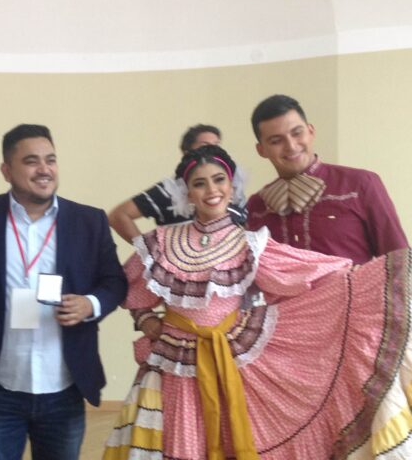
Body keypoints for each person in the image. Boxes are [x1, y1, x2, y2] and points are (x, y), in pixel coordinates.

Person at [104, 145, 412, 459]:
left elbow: (309, 273)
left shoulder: (249, 244)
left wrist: (367, 278)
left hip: (231, 357)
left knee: (236, 433)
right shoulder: (161, 242)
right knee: (178, 439)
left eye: (219, 180)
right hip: (174, 362)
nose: (212, 190)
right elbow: (134, 292)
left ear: (231, 185)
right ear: (187, 193)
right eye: (200, 183)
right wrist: (146, 320)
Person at [0, 124, 127, 460]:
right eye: (31, 161)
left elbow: (115, 282)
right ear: (6, 171)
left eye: (50, 160)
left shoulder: (88, 221)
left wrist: (90, 304)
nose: (44, 169)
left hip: (64, 389)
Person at [247, 94, 408, 264]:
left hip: (354, 282)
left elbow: (398, 259)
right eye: (276, 141)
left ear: (311, 132)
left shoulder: (360, 185)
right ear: (261, 150)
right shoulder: (256, 206)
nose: (291, 146)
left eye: (297, 133)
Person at [108, 124, 247, 243]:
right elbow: (118, 215)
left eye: (216, 145)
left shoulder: (232, 187)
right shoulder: (167, 190)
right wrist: (147, 250)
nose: (212, 189)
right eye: (205, 145)